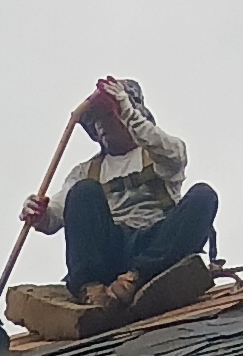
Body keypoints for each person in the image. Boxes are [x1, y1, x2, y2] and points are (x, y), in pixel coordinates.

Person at [19, 79, 219, 317]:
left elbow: (173, 154)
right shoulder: (86, 171)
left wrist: (126, 110)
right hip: (110, 252)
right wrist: (40, 213)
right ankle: (92, 289)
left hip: (156, 246)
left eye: (107, 116)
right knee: (83, 191)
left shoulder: (157, 153)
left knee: (203, 196)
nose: (100, 125)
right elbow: (56, 213)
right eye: (95, 120)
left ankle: (138, 279)